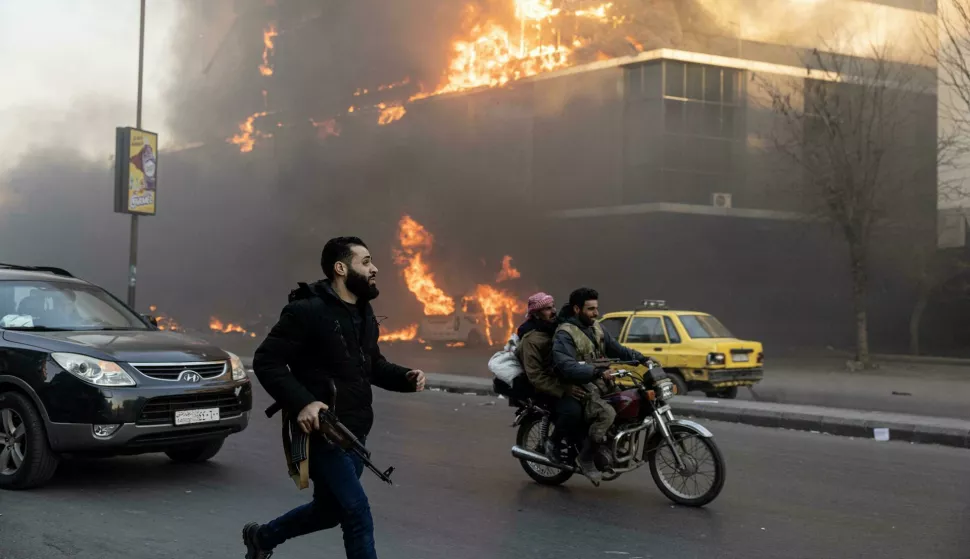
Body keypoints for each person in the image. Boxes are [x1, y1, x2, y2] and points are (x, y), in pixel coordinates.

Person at [243, 236, 427, 559]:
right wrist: (303, 402)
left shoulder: (364, 314)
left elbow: (372, 365)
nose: (375, 268)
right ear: (340, 269)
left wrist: (406, 377)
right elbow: (266, 361)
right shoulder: (307, 311)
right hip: (322, 434)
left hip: (354, 433)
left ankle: (262, 538)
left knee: (329, 511)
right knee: (357, 513)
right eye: (366, 261)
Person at [552, 287, 648, 485]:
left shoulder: (598, 328)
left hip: (602, 382)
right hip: (581, 386)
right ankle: (586, 457)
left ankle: (613, 444)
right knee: (607, 414)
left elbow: (617, 349)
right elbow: (565, 365)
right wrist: (594, 371)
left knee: (631, 400)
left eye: (596, 308)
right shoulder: (564, 334)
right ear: (577, 309)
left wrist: (642, 358)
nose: (596, 313)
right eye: (590, 309)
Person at [514, 292, 587, 457]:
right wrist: (564, 390)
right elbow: (536, 376)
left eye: (553, 306)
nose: (553, 311)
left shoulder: (555, 330)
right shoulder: (530, 340)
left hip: (563, 381)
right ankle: (552, 445)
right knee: (572, 411)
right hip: (544, 389)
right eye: (547, 309)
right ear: (537, 313)